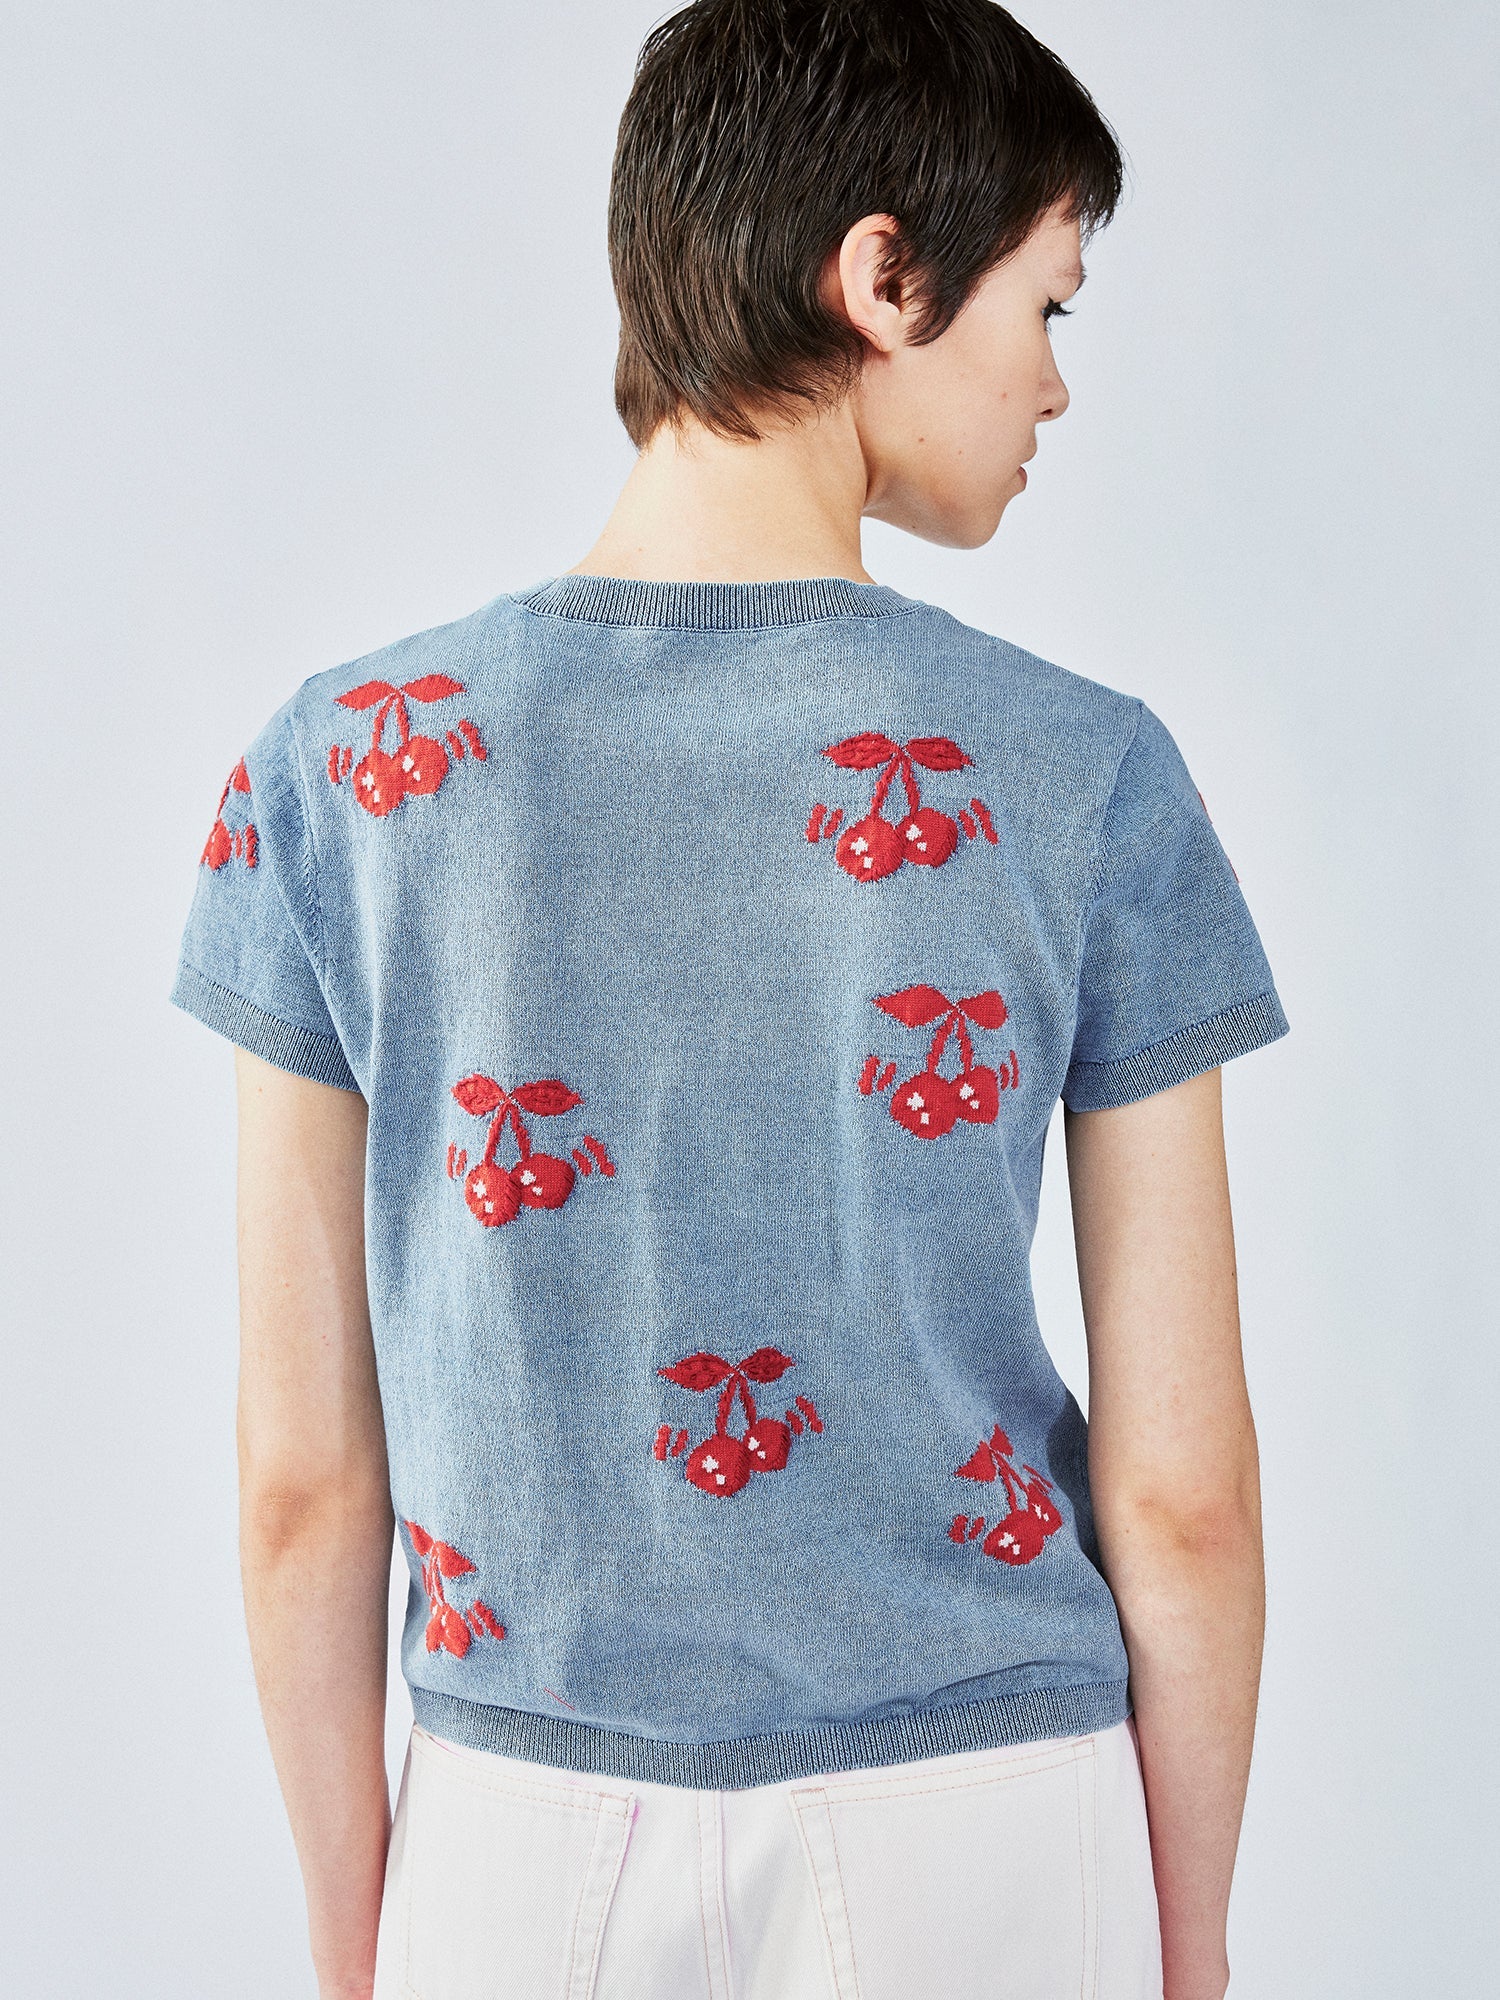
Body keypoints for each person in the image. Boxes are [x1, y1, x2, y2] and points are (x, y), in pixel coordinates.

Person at [171, 4, 1287, 1995]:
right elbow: (1183, 1492)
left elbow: (302, 1487)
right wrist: (1187, 1938)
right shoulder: (1086, 776)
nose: (1056, 383)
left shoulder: (335, 779)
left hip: (519, 1827)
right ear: (884, 276)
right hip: (988, 1821)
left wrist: (364, 1929)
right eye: (1046, 305)